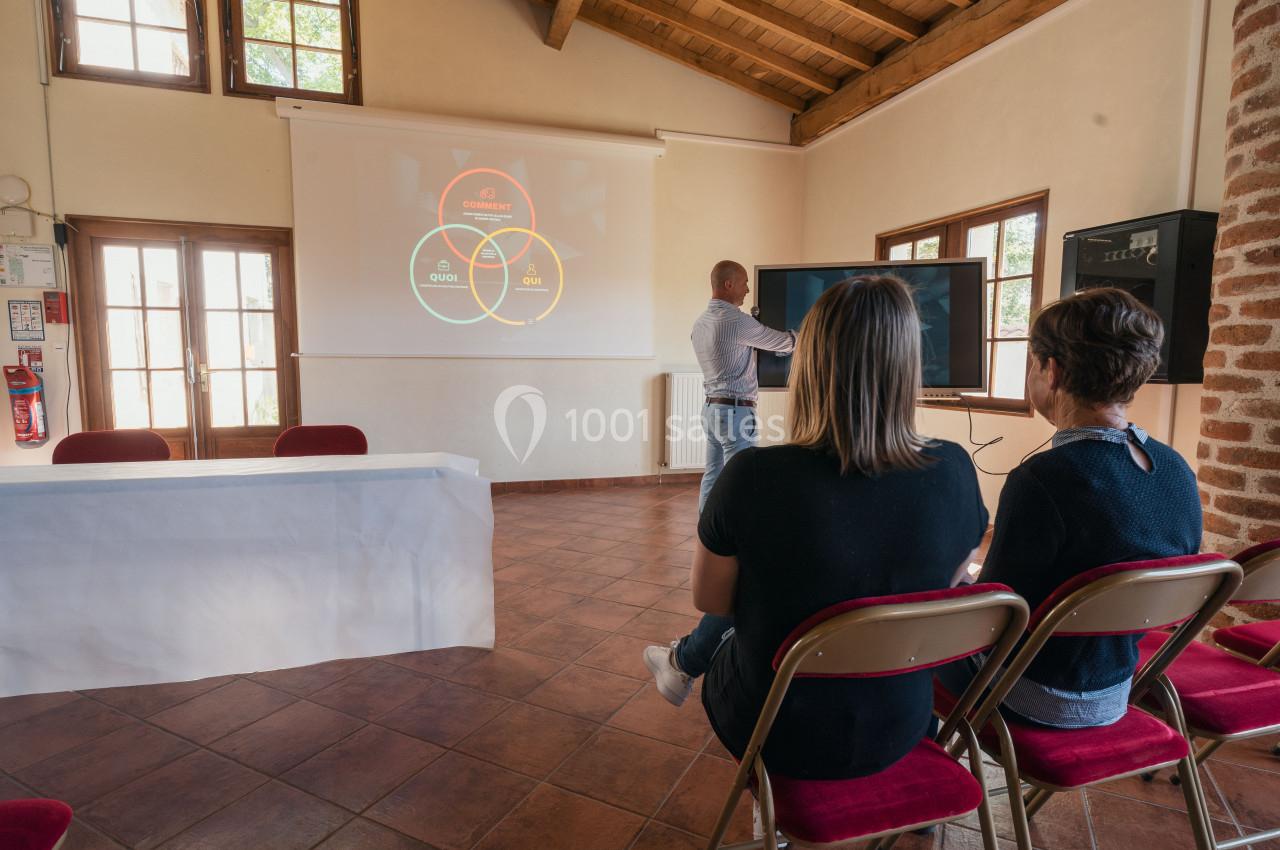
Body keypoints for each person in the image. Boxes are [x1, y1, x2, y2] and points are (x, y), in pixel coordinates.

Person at [652, 276, 988, 780]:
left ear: (811, 364)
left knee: (734, 624)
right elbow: (956, 578)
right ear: (909, 365)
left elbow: (713, 601)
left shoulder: (755, 478)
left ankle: (684, 664)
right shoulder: (956, 467)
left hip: (775, 729)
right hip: (901, 725)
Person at [942, 287, 1201, 727]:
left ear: (1052, 370)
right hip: (1116, 689)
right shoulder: (1176, 470)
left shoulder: (1043, 478)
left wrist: (951, 584)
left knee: (913, 650)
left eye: (1032, 362)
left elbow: (994, 619)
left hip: (1030, 694)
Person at [645, 261, 796, 703]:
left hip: (712, 406)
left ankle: (710, 538)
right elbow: (784, 344)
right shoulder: (734, 319)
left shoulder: (701, 322)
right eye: (744, 283)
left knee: (714, 478)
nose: (748, 289)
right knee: (742, 484)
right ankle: (735, 541)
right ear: (728, 284)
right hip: (737, 410)